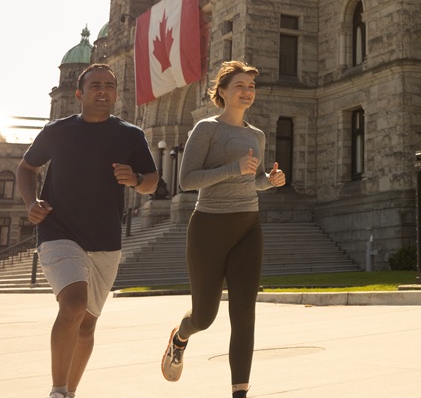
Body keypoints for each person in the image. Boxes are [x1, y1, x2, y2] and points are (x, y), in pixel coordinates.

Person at [18, 62, 160, 398]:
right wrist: (30, 202)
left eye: (110, 85)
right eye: (95, 85)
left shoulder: (130, 135)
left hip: (106, 238)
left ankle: (70, 391)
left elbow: (152, 182)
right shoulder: (57, 131)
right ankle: (56, 390)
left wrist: (136, 180)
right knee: (73, 305)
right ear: (79, 93)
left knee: (87, 326)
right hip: (58, 229)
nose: (103, 90)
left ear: (116, 94)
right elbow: (27, 167)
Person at [161, 61, 285, 398]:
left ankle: (240, 393)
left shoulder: (256, 134)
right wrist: (233, 168)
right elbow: (187, 180)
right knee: (204, 316)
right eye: (240, 86)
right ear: (222, 92)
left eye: (251, 87)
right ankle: (180, 336)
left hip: (249, 225)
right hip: (209, 227)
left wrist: (268, 181)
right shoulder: (206, 129)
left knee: (245, 313)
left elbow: (252, 180)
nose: (247, 91)